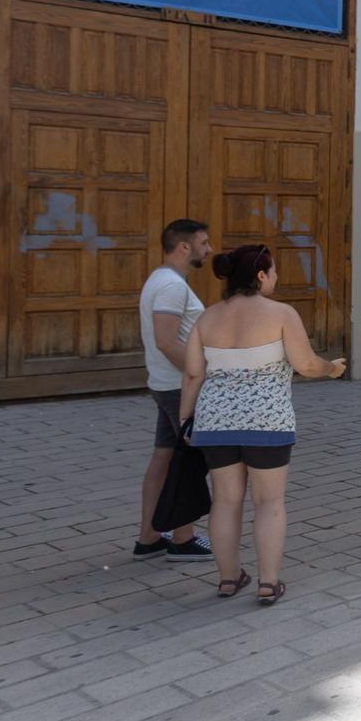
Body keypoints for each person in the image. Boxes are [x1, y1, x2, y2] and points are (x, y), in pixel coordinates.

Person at [179, 244, 346, 605]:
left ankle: (227, 578)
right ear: (260, 276)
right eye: (272, 272)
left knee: (224, 501)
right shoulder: (282, 313)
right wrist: (331, 368)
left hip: (215, 421)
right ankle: (268, 582)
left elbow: (193, 374)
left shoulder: (206, 318)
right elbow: (305, 364)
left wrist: (185, 420)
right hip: (267, 421)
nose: (276, 278)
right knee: (269, 501)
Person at [134, 218, 215, 562]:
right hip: (178, 388)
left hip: (166, 384)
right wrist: (202, 374)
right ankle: (183, 538)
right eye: (204, 243)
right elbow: (167, 341)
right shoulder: (171, 286)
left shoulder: (164, 280)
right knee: (189, 462)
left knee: (164, 459)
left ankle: (149, 537)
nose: (209, 249)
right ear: (185, 247)